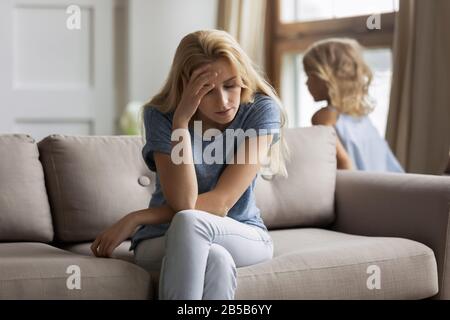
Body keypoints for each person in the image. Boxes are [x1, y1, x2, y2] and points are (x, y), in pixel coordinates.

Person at [90, 29, 290, 300]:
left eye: (231, 85)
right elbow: (184, 201)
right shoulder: (161, 115)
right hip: (160, 239)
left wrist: (138, 217)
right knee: (216, 258)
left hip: (242, 232)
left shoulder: (259, 109)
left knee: (191, 222)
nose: (223, 101)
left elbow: (221, 203)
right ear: (185, 86)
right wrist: (181, 121)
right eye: (207, 90)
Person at [303, 38, 404, 172]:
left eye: (309, 75)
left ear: (324, 77)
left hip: (359, 189)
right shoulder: (362, 118)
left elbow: (343, 164)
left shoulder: (324, 117)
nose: (306, 83)